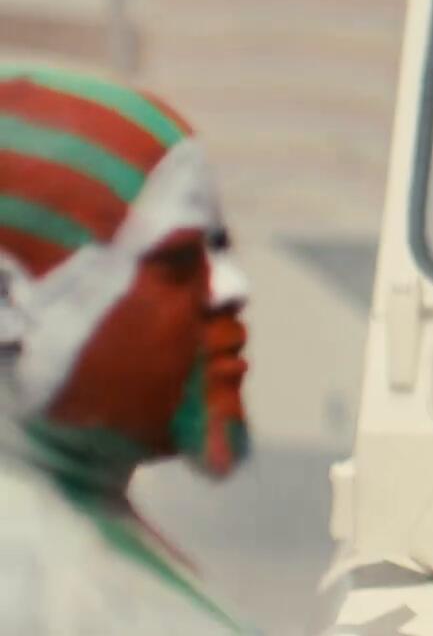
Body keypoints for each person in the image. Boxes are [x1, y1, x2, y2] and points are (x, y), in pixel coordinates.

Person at [0, 65, 255, 634]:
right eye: (179, 260)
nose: (233, 288)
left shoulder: (74, 533)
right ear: (8, 302)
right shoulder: (23, 577)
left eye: (219, 249)